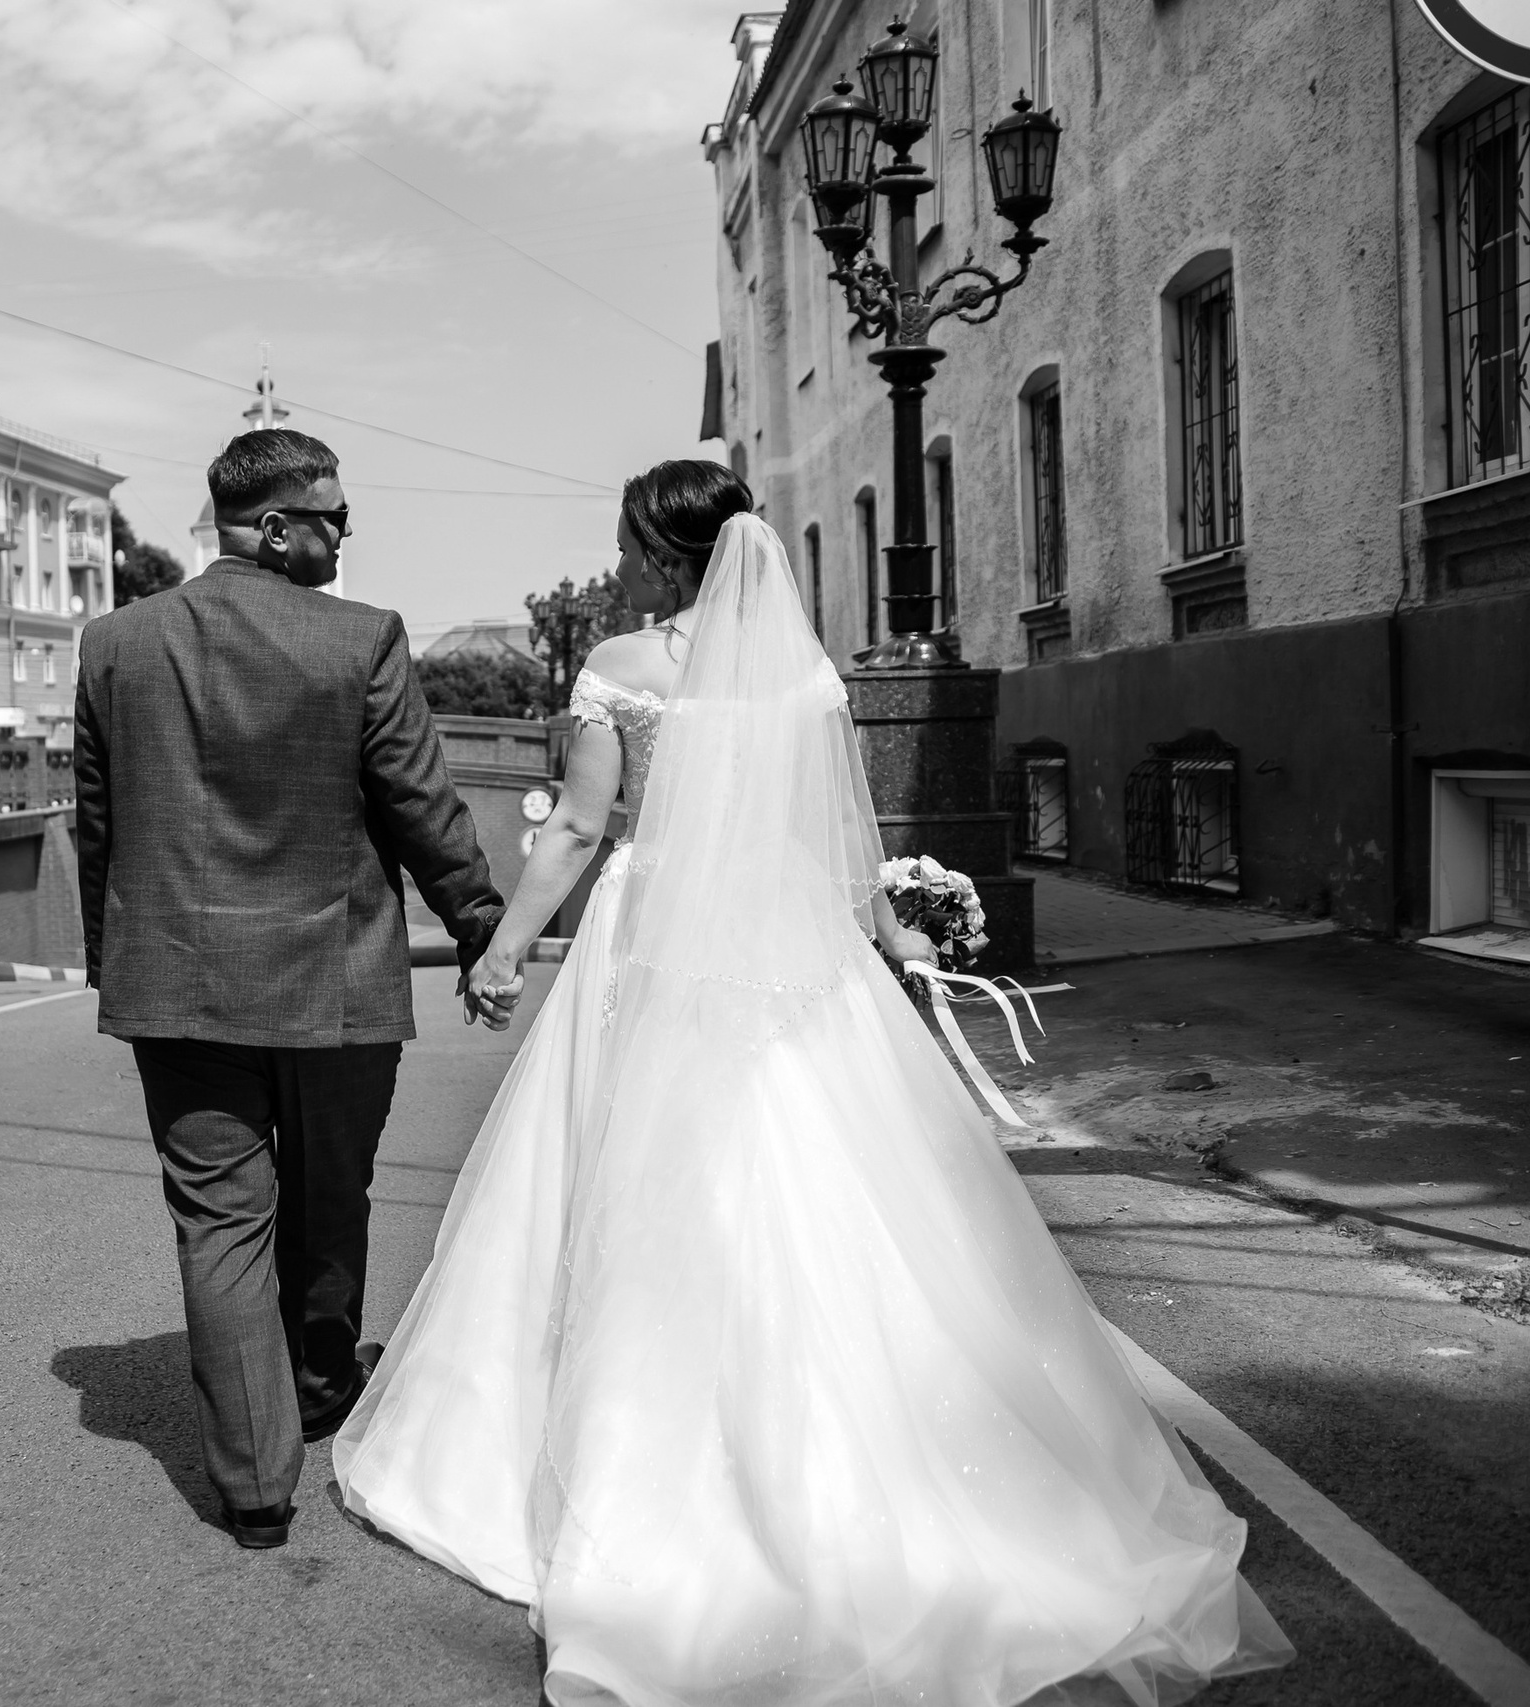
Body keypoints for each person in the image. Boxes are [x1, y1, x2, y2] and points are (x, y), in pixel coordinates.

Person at [335, 461, 1294, 1706]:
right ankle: (874, 1456)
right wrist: (883, 931)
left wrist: (506, 946)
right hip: (788, 944)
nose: (618, 557)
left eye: (627, 538)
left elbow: (576, 828)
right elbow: (830, 832)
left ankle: (630, 1468)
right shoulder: (799, 672)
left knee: (639, 1179)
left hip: (660, 935)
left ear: (661, 550)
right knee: (822, 1176)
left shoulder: (624, 667)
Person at [72, 427, 508, 1552]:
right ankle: (319, 1386)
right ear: (275, 526)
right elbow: (418, 802)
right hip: (337, 982)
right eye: (333, 518)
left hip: (174, 983)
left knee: (220, 1224)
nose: (341, 537)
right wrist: (479, 925)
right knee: (328, 1199)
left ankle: (254, 1489)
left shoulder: (116, 643)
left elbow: (100, 828)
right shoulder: (360, 640)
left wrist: (109, 960)